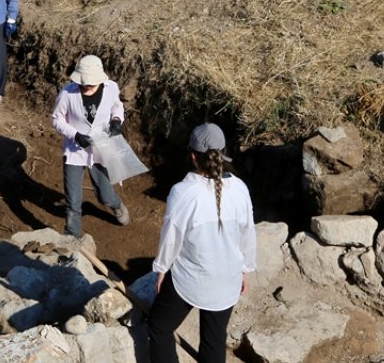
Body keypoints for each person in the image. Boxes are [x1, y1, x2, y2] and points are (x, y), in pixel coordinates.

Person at [148, 123, 256, 363]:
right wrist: (246, 269)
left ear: (193, 156)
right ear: (223, 151)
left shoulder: (183, 192)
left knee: (159, 327)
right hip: (227, 279)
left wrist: (162, 268)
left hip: (191, 279)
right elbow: (248, 232)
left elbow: (171, 236)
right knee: (214, 340)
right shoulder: (239, 188)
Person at [50, 54, 129, 237]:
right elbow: (56, 119)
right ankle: (72, 238)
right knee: (73, 202)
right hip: (75, 151)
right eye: (83, 83)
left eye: (91, 84)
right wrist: (75, 135)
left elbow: (117, 107)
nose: (86, 86)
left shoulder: (111, 89)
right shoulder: (68, 93)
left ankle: (116, 205)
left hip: (101, 147)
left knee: (105, 195)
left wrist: (117, 120)